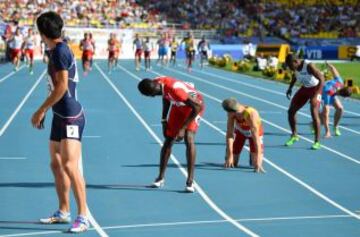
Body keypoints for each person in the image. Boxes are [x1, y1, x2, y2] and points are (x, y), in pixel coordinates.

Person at [31, 11, 89, 233]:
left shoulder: (60, 53)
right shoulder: (56, 49)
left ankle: (83, 215)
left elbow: (62, 86)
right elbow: (53, 85)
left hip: (71, 116)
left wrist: (40, 110)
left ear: (42, 33)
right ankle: (64, 211)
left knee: (69, 166)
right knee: (55, 164)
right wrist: (48, 110)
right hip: (59, 115)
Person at [137, 77, 204, 192]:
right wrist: (164, 120)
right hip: (178, 105)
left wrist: (183, 128)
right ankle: (160, 178)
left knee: (189, 138)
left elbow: (197, 107)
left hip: (194, 106)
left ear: (153, 92)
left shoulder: (176, 90)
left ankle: (190, 181)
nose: (152, 97)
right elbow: (166, 96)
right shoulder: (157, 82)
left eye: (151, 95)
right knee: (168, 139)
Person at [285, 54, 325, 150]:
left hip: (315, 89)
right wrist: (290, 88)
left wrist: (316, 95)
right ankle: (294, 135)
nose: (290, 68)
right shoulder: (294, 68)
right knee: (291, 111)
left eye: (290, 66)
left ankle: (317, 142)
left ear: (296, 62)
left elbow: (322, 79)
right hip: (305, 88)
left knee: (314, 113)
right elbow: (294, 76)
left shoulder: (308, 65)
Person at [222, 98, 265, 173]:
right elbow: (229, 134)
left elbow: (256, 138)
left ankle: (253, 156)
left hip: (254, 134)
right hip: (240, 132)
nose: (238, 117)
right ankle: (234, 155)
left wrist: (258, 159)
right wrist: (229, 155)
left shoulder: (251, 114)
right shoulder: (231, 113)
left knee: (255, 165)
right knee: (232, 163)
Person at [321, 62, 352, 138]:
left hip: (333, 94)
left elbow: (333, 69)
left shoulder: (340, 82)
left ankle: (335, 126)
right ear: (342, 95)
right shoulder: (328, 93)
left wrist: (329, 65)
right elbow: (326, 114)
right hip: (321, 94)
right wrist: (327, 132)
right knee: (324, 114)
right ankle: (326, 130)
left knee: (340, 109)